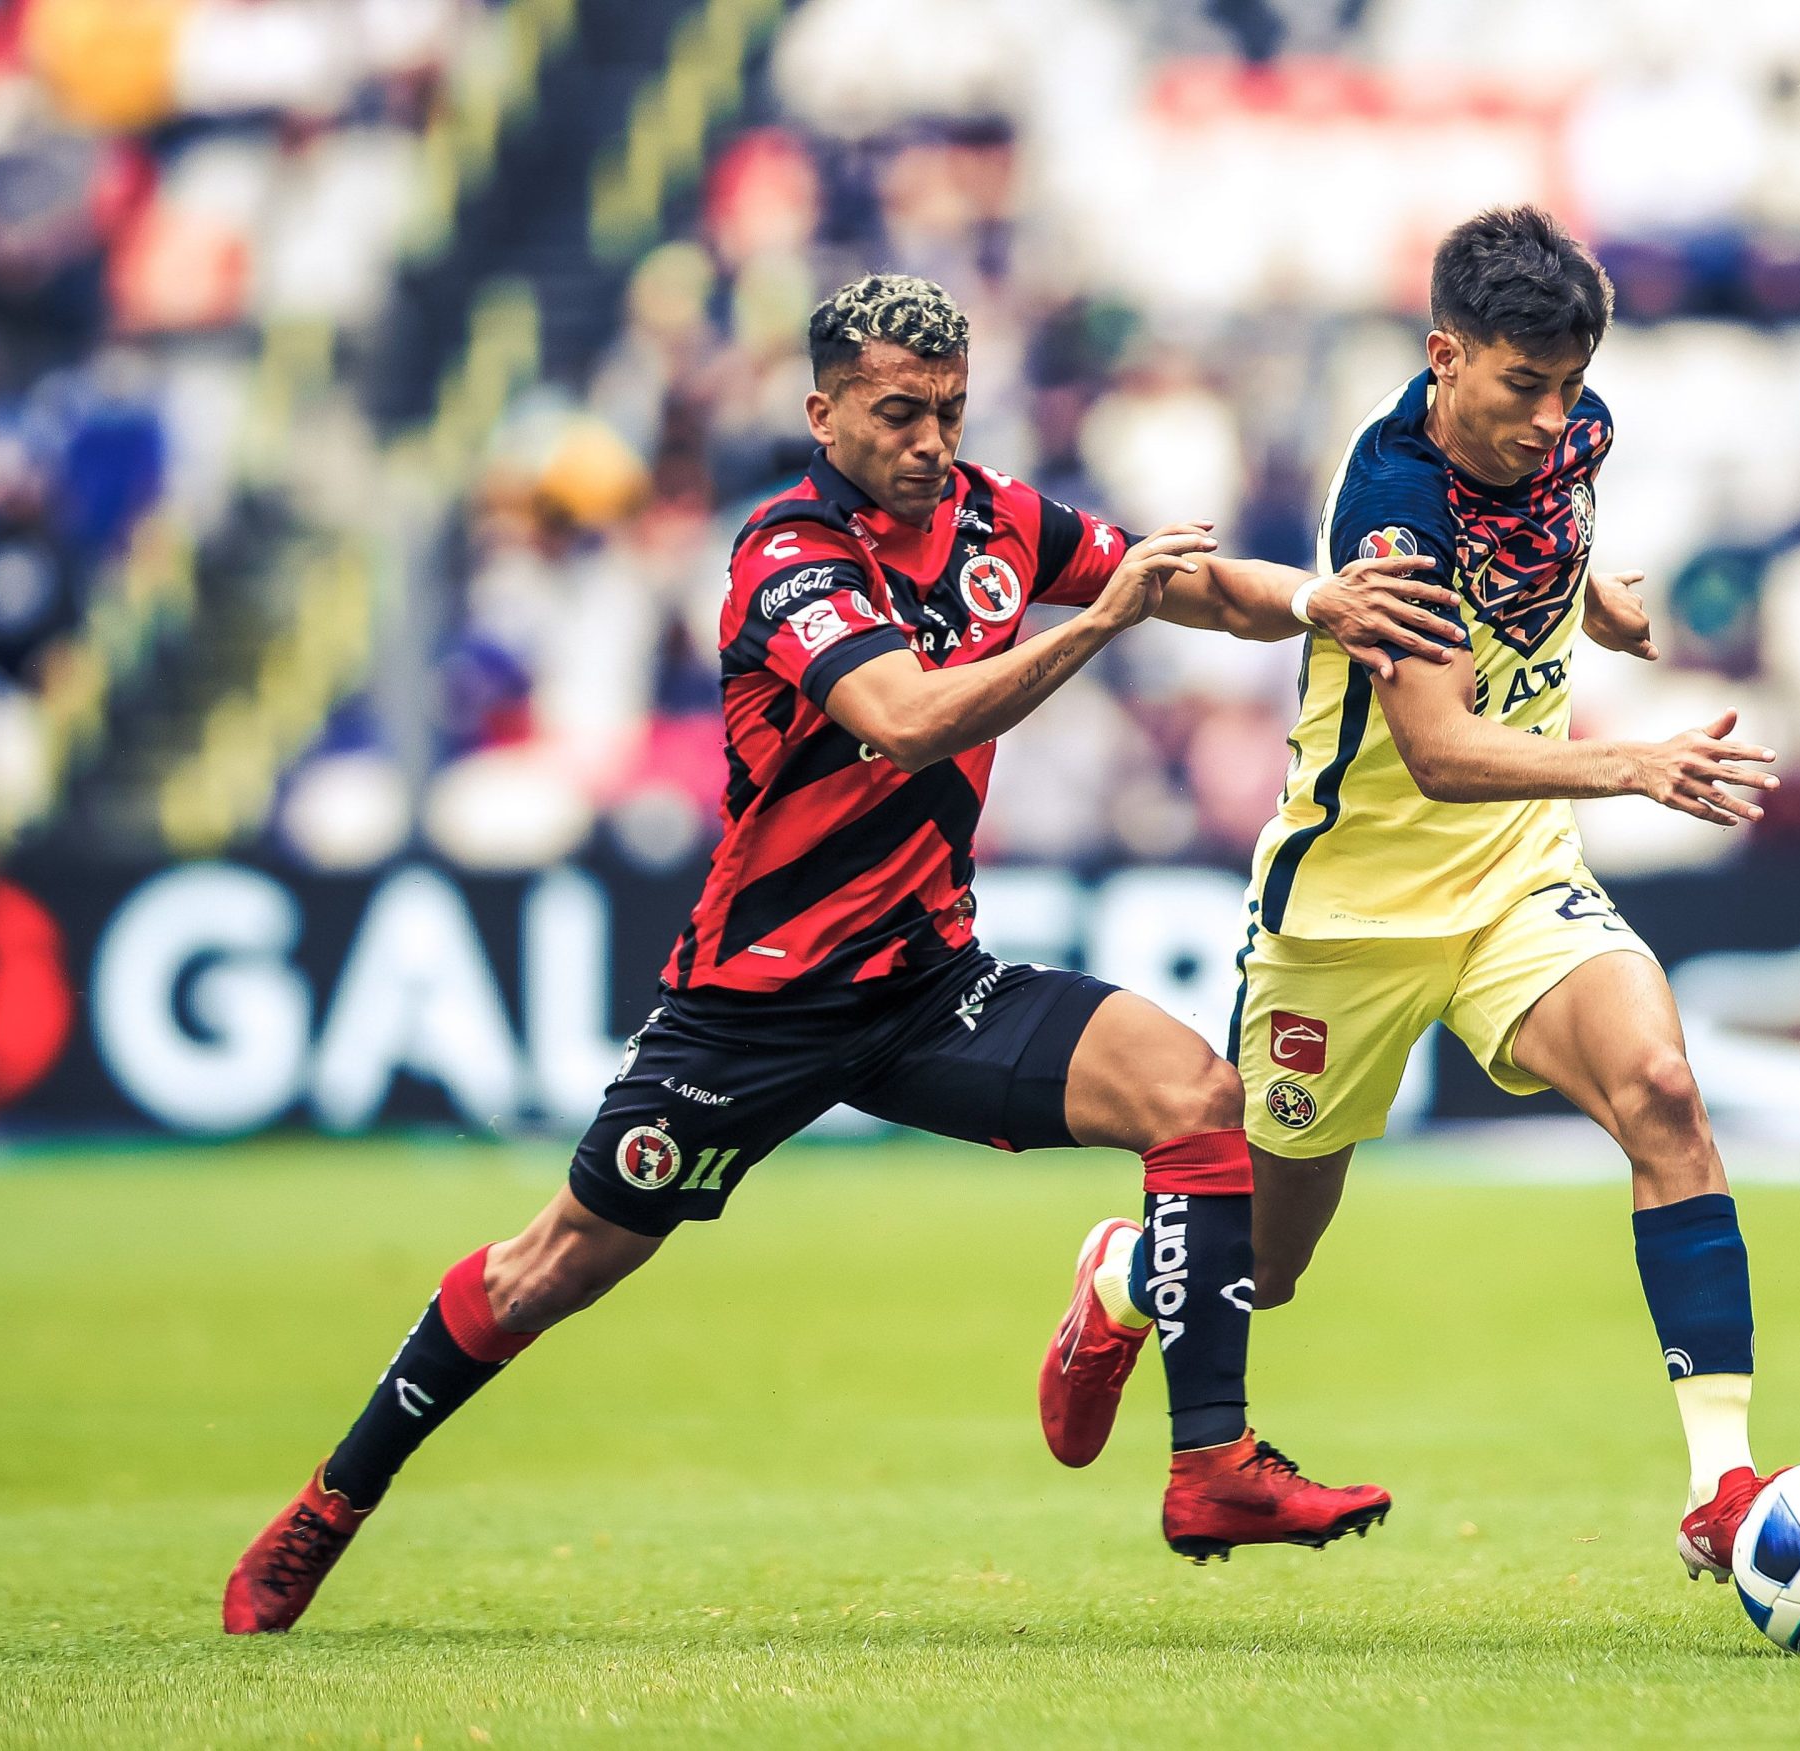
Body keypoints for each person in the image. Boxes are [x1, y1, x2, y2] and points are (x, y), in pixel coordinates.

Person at [223, 273, 1460, 1633]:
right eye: (898, 415)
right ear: (824, 412)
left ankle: (1212, 1463)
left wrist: (1316, 599)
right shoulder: (787, 557)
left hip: (929, 988)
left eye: (948, 411)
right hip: (754, 1010)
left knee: (1197, 1102)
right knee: (546, 1273)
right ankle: (332, 1505)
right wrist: (1096, 627)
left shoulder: (996, 517)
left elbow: (1185, 586)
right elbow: (907, 717)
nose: (932, 442)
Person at [1039, 209, 1789, 1580]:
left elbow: (1540, 561)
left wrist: (1599, 609)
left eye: (1570, 387)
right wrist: (1632, 765)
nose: (1550, 419)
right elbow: (1439, 754)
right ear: (1443, 356)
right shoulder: (1393, 507)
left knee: (1665, 1096)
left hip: (1516, 887)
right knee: (1265, 1267)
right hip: (1349, 924)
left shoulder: (1572, 429)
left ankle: (1722, 1488)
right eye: (1522, 387)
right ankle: (1113, 1281)